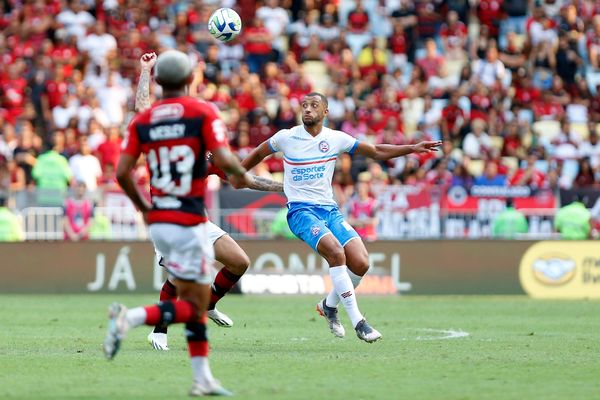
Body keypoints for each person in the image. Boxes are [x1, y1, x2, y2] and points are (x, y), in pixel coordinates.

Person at [103, 50, 251, 397]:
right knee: (194, 304)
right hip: (188, 219)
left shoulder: (147, 120)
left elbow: (123, 172)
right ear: (188, 81)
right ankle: (131, 319)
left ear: (159, 82)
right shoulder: (203, 112)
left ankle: (202, 378)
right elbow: (225, 158)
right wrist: (239, 172)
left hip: (164, 220)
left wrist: (144, 208)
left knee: (197, 303)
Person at [241, 92, 441, 342]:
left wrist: (411, 148)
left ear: (325, 112)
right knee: (336, 254)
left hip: (330, 210)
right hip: (301, 211)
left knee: (361, 262)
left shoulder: (336, 139)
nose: (307, 109)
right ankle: (359, 322)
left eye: (314, 105)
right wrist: (237, 172)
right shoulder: (286, 137)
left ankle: (328, 305)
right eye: (304, 105)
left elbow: (376, 150)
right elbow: (258, 153)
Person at [134, 52, 284, 351]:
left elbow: (243, 179)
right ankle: (159, 331)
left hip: (198, 220)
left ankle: (209, 304)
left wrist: (281, 189)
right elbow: (141, 107)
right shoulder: (162, 138)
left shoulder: (208, 155)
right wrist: (145, 71)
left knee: (239, 262)